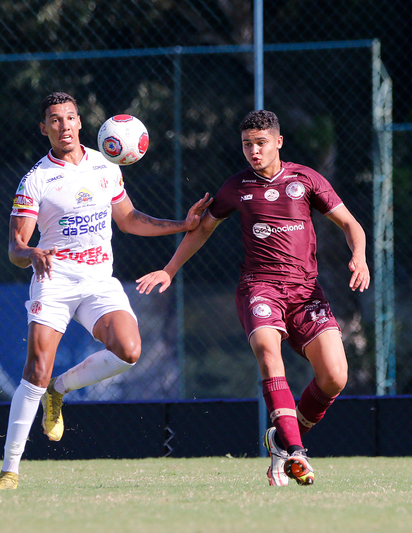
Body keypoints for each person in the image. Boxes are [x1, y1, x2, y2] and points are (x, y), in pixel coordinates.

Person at [137, 110, 370, 487]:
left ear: (278, 142)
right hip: (259, 287)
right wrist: (169, 269)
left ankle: (280, 438)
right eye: (247, 144)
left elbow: (350, 224)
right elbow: (201, 231)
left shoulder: (305, 178)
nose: (253, 151)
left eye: (260, 143)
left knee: (335, 377)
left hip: (306, 292)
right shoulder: (236, 187)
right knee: (266, 347)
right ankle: (296, 452)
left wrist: (358, 256)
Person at [0, 92, 212, 490]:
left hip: (98, 280)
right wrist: (30, 254)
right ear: (44, 129)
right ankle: (10, 470)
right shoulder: (36, 179)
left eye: (70, 118)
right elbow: (14, 248)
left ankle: (60, 391)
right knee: (36, 371)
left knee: (129, 350)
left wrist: (183, 225)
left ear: (81, 123)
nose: (64, 126)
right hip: (54, 281)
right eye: (55, 120)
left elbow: (129, 220)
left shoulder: (104, 164)